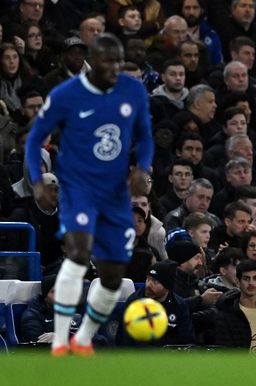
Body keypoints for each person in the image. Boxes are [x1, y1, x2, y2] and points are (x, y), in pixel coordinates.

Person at [24, 33, 154, 357]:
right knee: (79, 253)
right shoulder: (67, 94)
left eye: (117, 62)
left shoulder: (133, 91)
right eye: (106, 62)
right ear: (91, 62)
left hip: (114, 192)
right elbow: (34, 138)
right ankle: (58, 341)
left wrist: (142, 168)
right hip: (78, 186)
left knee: (112, 278)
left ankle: (82, 338)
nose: (113, 68)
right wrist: (38, 181)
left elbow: (146, 138)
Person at [212, 260, 256, 352]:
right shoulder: (226, 314)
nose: (251, 283)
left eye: (255, 278)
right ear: (238, 282)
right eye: (246, 278)